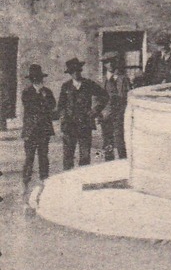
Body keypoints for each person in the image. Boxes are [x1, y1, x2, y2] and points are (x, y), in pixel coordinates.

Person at [57, 58, 109, 170]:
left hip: (85, 124)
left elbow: (104, 96)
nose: (76, 73)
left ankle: (82, 181)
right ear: (70, 73)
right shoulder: (66, 86)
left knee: (85, 156)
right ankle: (68, 182)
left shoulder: (88, 84)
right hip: (69, 125)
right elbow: (60, 105)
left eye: (77, 71)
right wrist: (64, 117)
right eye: (73, 71)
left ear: (80, 71)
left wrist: (95, 110)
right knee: (68, 156)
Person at [21, 64, 57, 194]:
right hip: (30, 131)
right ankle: (26, 182)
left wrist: (44, 96)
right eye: (34, 78)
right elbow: (31, 108)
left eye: (39, 77)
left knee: (43, 156)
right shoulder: (26, 92)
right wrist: (42, 99)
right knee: (29, 157)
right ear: (32, 79)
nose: (37, 80)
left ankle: (44, 181)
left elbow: (52, 106)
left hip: (43, 130)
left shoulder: (47, 92)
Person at [100, 52, 132, 161]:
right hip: (106, 117)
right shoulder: (102, 80)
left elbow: (128, 97)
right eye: (107, 62)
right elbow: (97, 99)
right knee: (107, 143)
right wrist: (100, 113)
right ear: (105, 65)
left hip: (120, 116)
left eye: (112, 62)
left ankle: (123, 164)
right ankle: (108, 165)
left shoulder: (124, 79)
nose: (110, 65)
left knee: (120, 142)